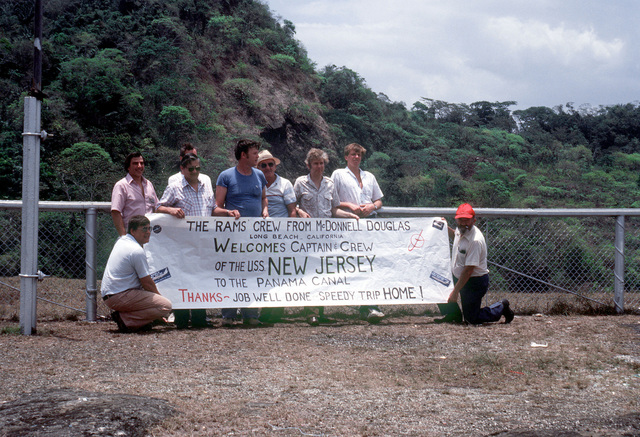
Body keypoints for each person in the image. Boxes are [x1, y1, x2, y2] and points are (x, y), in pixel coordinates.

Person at [156, 153, 239, 329]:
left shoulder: (205, 186)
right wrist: (171, 211)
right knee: (182, 279)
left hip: (202, 243)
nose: (195, 172)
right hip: (181, 243)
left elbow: (213, 209)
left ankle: (200, 318)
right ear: (182, 169)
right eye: (191, 169)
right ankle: (181, 319)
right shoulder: (175, 187)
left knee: (200, 279)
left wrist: (228, 212)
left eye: (198, 168)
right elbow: (158, 207)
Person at [294, 148, 358, 326]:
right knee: (308, 273)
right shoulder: (300, 183)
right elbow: (291, 206)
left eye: (321, 163)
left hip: (326, 238)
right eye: (316, 163)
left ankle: (318, 310)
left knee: (322, 273)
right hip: (305, 237)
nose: (319, 167)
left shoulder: (330, 184)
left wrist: (350, 216)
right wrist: (299, 211)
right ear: (308, 165)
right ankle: (311, 312)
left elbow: (334, 209)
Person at [215, 139, 268, 326]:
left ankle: (250, 314)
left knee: (252, 272)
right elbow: (216, 208)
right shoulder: (226, 176)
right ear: (243, 155)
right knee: (232, 273)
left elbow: (263, 199)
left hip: (255, 237)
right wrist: (228, 213)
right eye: (254, 153)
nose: (257, 156)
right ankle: (228, 315)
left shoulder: (260, 175)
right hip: (233, 237)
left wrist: (265, 210)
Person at [331, 143, 385, 323]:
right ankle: (359, 302)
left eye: (359, 155)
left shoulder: (369, 176)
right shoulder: (338, 174)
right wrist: (350, 206)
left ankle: (371, 305)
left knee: (371, 263)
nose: (356, 157)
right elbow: (332, 200)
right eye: (353, 154)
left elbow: (378, 200)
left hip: (370, 224)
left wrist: (372, 206)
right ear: (346, 157)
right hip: (348, 224)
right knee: (352, 263)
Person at [255, 150, 307, 323]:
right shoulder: (254, 182)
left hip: (279, 236)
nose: (268, 168)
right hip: (258, 237)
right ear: (258, 167)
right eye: (263, 165)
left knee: (277, 273)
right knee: (261, 273)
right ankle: (259, 308)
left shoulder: (284, 184)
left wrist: (289, 235)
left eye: (271, 164)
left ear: (276, 166)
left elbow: (292, 211)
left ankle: (276, 310)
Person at [101, 215, 173, 333]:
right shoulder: (136, 251)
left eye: (149, 228)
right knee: (165, 306)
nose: (148, 232)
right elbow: (147, 284)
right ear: (133, 231)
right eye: (144, 229)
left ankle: (136, 319)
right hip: (119, 295)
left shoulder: (122, 240)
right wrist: (159, 300)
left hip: (111, 294)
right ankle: (126, 319)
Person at [446, 203, 515, 324]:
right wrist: (444, 227)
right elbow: (455, 237)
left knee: (472, 319)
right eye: (460, 220)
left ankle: (501, 306)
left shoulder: (475, 241)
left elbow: (468, 271)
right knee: (438, 287)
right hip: (459, 277)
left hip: (474, 282)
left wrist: (455, 292)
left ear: (474, 220)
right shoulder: (460, 230)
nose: (463, 223)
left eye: (467, 220)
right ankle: (453, 316)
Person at [111, 152, 159, 236]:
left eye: (142, 163)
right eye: (135, 163)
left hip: (149, 234)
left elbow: (157, 207)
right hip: (131, 234)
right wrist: (123, 236)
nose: (139, 166)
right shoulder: (121, 185)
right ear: (128, 167)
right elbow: (116, 212)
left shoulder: (149, 184)